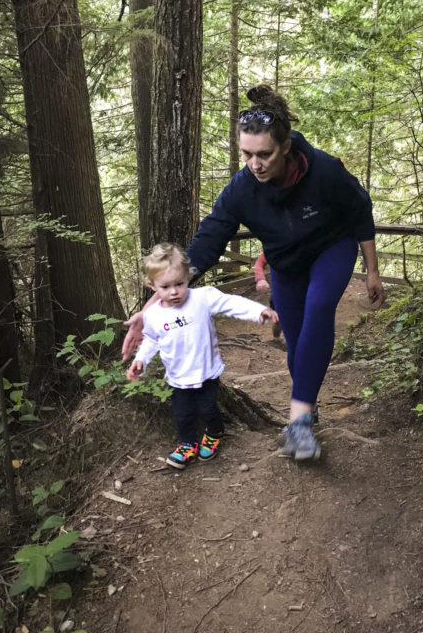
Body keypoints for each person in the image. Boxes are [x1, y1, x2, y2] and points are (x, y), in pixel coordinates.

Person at [123, 84, 385, 461]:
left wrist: (372, 270)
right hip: (285, 264)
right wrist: (150, 308)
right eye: (247, 154)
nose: (255, 164)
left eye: (264, 154)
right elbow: (205, 247)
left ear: (286, 147)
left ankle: (298, 424)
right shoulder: (241, 190)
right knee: (296, 346)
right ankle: (307, 413)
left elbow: (360, 210)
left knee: (320, 305)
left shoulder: (325, 170)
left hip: (333, 247)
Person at [126, 242, 278, 469]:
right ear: (152, 285)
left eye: (179, 283)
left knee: (208, 409)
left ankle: (215, 432)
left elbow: (231, 303)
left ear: (188, 276)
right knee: (182, 414)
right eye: (165, 286)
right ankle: (187, 444)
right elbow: (151, 341)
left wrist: (258, 311)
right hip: (178, 377)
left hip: (206, 373)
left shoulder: (202, 298)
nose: (174, 291)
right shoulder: (153, 315)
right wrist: (141, 361)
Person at [253, 251, 282, 339]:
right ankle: (276, 339)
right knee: (278, 319)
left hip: (302, 290)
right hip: (279, 292)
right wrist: (260, 279)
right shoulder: (277, 245)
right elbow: (260, 262)